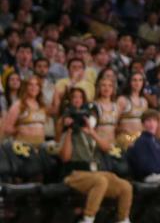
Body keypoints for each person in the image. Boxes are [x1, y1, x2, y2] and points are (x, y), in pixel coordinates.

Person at [58, 87, 134, 223]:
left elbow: (107, 148)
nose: (78, 100)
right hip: (76, 173)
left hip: (96, 172)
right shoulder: (66, 129)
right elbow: (65, 157)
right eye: (75, 97)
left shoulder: (92, 131)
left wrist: (92, 132)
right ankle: (87, 219)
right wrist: (69, 131)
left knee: (125, 186)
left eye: (80, 98)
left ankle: (123, 220)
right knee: (100, 181)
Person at [2, 74, 48, 145]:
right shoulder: (18, 105)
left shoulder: (42, 106)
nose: (34, 88)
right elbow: (7, 128)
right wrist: (19, 130)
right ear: (25, 87)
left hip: (40, 146)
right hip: (23, 146)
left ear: (39, 88)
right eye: (30, 85)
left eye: (37, 85)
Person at [117, 71, 148, 147]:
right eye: (134, 80)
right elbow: (115, 121)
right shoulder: (122, 100)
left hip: (141, 140)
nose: (137, 83)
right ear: (129, 82)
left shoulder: (144, 101)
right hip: (126, 139)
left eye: (140, 80)